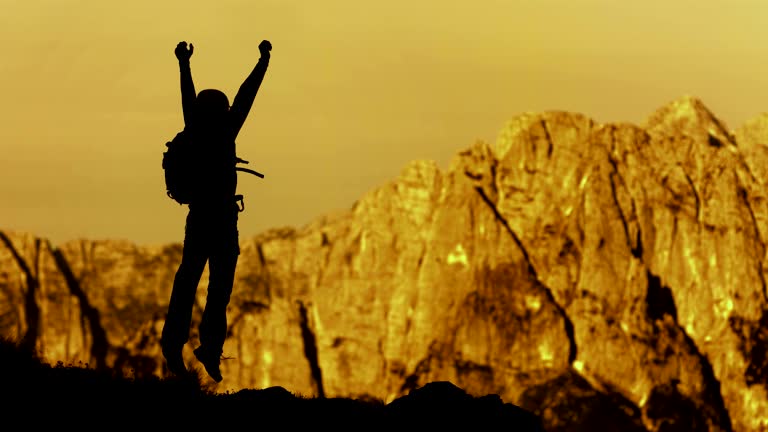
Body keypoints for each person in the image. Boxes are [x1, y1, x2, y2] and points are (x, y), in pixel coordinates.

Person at [161, 39, 272, 382]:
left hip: (199, 219)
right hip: (223, 220)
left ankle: (174, 343)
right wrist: (263, 61)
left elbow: (187, 94)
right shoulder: (226, 130)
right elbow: (246, 95)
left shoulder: (193, 128)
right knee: (219, 287)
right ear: (222, 110)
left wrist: (184, 63)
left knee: (188, 280)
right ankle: (209, 347)